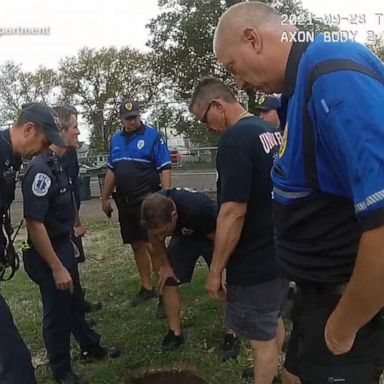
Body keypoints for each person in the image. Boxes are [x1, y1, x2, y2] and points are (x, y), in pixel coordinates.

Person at [213, 2, 384, 383]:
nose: (237, 83)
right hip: (316, 295)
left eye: (231, 68)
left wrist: (343, 327)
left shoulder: (332, 72)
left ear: (253, 39)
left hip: (343, 301)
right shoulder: (299, 84)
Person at [190, 77, 287, 384]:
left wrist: (216, 270)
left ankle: (267, 374)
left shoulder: (235, 139)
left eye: (205, 119)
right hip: (278, 250)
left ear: (217, 105)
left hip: (254, 258)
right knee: (273, 321)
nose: (209, 127)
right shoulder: (268, 131)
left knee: (261, 341)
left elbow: (233, 211)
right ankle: (273, 371)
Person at [22, 108, 119, 384]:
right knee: (57, 313)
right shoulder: (40, 169)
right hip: (48, 252)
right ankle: (62, 371)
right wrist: (56, 266)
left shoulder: (58, 163)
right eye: (74, 127)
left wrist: (73, 234)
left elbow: (65, 205)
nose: (78, 131)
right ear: (60, 131)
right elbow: (34, 223)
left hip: (64, 245)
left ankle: (90, 345)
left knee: (74, 303)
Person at [0, 102, 63, 384]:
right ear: (28, 129)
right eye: (45, 140)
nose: (46, 148)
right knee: (13, 360)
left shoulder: (11, 156)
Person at [141, 188, 239, 358]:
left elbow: (219, 237)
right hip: (185, 236)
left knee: (222, 284)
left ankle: (232, 334)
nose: (162, 236)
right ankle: (175, 333)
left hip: (212, 236)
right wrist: (166, 266)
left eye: (164, 232)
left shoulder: (198, 208)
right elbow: (154, 238)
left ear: (173, 216)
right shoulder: (152, 213)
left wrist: (219, 270)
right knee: (168, 281)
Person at [101, 99, 172, 310]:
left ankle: (164, 292)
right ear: (120, 119)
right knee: (136, 245)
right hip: (125, 202)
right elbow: (112, 170)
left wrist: (166, 198)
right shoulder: (115, 139)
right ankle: (147, 287)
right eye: (128, 118)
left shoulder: (152, 137)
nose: (132, 121)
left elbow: (165, 169)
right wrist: (104, 198)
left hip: (147, 201)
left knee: (153, 246)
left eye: (135, 117)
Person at [55, 106, 102, 317]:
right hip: (65, 221)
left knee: (73, 263)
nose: (79, 132)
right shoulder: (54, 158)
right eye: (75, 126)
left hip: (71, 214)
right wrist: (76, 222)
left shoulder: (70, 153)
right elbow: (66, 193)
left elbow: (73, 186)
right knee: (68, 263)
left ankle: (78, 305)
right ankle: (75, 311)